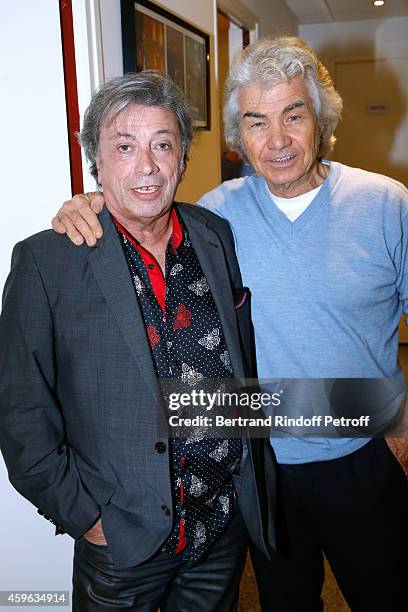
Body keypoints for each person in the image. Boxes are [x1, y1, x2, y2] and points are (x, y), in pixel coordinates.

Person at [54, 37, 408, 611]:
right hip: (259, 467)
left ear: (320, 118)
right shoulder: (213, 216)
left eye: (294, 115)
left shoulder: (387, 204)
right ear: (238, 136)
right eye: (256, 121)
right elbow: (137, 217)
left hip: (365, 452)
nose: (278, 141)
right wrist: (86, 204)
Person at [0, 71, 277, 612]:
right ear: (96, 161)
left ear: (182, 157)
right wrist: (87, 517)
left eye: (162, 145)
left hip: (220, 526)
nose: (146, 166)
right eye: (124, 147)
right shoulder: (47, 261)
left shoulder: (212, 233)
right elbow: (21, 413)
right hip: (122, 543)